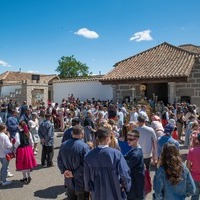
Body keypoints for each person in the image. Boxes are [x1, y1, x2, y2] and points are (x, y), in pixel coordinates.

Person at [84, 126, 131, 200]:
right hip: (114, 191)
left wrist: (88, 189)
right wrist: (126, 187)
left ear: (97, 138)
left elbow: (86, 176)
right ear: (107, 138)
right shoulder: (116, 154)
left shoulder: (88, 156)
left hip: (97, 191)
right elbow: (124, 174)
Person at [57, 125, 90, 200]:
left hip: (68, 179)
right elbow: (86, 164)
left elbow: (59, 160)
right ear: (82, 133)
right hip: (80, 180)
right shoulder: (84, 147)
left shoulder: (63, 144)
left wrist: (65, 170)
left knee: (71, 197)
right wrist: (73, 173)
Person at [124, 130, 145, 200]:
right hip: (135, 184)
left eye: (131, 139)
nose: (128, 141)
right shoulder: (135, 149)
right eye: (127, 139)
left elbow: (125, 167)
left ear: (137, 139)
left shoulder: (136, 154)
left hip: (135, 185)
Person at [187, 133, 200, 200]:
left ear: (198, 139)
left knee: (195, 196)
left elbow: (188, 165)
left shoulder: (192, 150)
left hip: (194, 176)